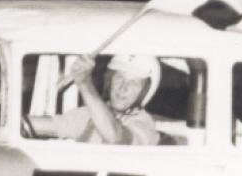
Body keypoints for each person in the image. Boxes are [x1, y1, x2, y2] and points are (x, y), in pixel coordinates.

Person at [29, 54, 160, 145]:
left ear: (144, 92)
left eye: (134, 83)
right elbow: (47, 125)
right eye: (119, 77)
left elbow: (115, 137)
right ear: (109, 80)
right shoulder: (90, 114)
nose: (123, 88)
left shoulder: (144, 124)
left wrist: (84, 82)